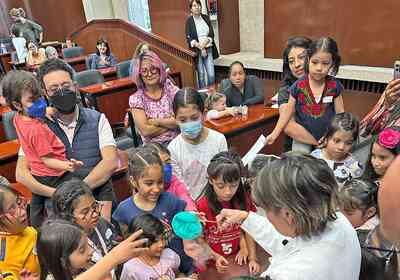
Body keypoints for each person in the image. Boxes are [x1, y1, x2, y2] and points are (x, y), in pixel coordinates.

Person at [216, 153, 361, 279]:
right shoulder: (339, 222)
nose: (267, 215)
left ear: (288, 214)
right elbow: (290, 243)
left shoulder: (289, 274)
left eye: (266, 209)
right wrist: (244, 218)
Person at [15, 58, 118, 226]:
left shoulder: (97, 119)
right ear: (45, 94)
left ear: (75, 86)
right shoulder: (36, 126)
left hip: (96, 206)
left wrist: (75, 194)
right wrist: (57, 194)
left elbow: (110, 162)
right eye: (54, 89)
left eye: (66, 86)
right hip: (58, 216)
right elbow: (21, 174)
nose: (61, 92)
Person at [2, 70, 83, 227]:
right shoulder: (36, 129)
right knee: (59, 206)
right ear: (18, 104)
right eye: (33, 100)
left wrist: (43, 111)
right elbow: (47, 160)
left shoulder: (19, 118)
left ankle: (37, 228)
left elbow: (32, 112)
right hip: (54, 175)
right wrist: (68, 165)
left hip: (36, 172)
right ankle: (58, 228)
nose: (40, 102)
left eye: (40, 96)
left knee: (36, 207)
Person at [112, 148, 194, 275]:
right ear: (134, 181)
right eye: (149, 183)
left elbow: (185, 228)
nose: (156, 189)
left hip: (183, 267)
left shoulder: (170, 200)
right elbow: (128, 249)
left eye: (160, 182)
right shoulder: (124, 211)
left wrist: (193, 221)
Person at [266, 37, 344, 153]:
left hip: (329, 138)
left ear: (332, 63)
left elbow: (341, 115)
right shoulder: (297, 86)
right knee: (301, 164)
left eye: (325, 63)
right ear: (309, 60)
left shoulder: (334, 86)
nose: (319, 68)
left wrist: (337, 137)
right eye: (315, 62)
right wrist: (275, 133)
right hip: (302, 141)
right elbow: (287, 114)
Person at [196, 151, 260, 278]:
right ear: (210, 180)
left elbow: (248, 229)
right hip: (212, 261)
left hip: (237, 259)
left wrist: (252, 258)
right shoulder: (202, 206)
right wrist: (215, 256)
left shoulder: (243, 200)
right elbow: (199, 239)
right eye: (221, 186)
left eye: (234, 185)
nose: (228, 192)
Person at [52, 178, 122, 278]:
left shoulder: (101, 223)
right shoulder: (67, 245)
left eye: (94, 206)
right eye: (85, 212)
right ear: (68, 217)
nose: (95, 214)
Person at [37, 219, 148, 280]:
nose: (91, 251)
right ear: (63, 260)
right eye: (82, 250)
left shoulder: (91, 260)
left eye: (88, 244)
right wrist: (114, 257)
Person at [168, 88, 228, 200]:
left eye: (194, 118)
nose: (189, 124)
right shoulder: (173, 149)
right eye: (183, 120)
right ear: (175, 118)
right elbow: (179, 189)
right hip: (189, 206)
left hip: (217, 202)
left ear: (204, 114)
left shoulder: (218, 140)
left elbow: (223, 176)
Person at [129, 50, 179, 145]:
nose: (149, 74)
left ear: (159, 69)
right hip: (154, 148)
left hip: (179, 140)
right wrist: (171, 122)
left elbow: (182, 119)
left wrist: (156, 121)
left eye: (153, 69)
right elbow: (145, 131)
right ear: (139, 74)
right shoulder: (136, 98)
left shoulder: (170, 88)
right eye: (144, 71)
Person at [277, 36, 315, 151]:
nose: (296, 65)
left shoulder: (327, 85)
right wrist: (323, 142)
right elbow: (289, 127)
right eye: (291, 61)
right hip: (298, 151)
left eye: (301, 58)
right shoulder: (286, 91)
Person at [120, 214, 182, 280]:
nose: (161, 244)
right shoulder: (131, 268)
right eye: (155, 241)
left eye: (162, 238)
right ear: (139, 241)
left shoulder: (170, 255)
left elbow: (178, 274)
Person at [0, 183, 40, 278]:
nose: (22, 212)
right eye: (12, 209)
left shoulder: (24, 229)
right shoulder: (5, 256)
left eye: (18, 202)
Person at [311, 112, 363, 184]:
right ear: (326, 138)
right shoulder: (313, 158)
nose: (341, 147)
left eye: (348, 143)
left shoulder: (355, 166)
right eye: (336, 141)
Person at [143, 142, 197, 211]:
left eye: (167, 162)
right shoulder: (145, 188)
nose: (166, 167)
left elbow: (185, 197)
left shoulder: (174, 181)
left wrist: (191, 211)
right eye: (161, 164)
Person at [185, 0, 219, 88]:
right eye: (194, 6)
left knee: (211, 75)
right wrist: (201, 48)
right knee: (201, 75)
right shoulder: (189, 21)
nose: (197, 7)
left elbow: (211, 34)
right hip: (197, 50)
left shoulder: (206, 18)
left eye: (199, 5)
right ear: (191, 9)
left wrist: (204, 46)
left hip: (208, 49)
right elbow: (189, 38)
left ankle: (211, 94)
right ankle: (203, 96)